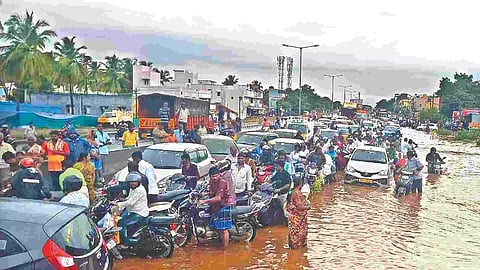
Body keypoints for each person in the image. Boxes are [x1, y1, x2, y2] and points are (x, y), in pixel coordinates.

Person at [199, 167, 234, 247]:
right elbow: (210, 192)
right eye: (212, 176)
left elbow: (218, 198)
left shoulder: (222, 182)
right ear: (210, 176)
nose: (214, 178)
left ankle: (225, 249)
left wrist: (204, 201)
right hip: (215, 206)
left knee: (223, 229)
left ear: (219, 175)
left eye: (216, 176)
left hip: (224, 205)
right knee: (217, 226)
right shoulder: (211, 182)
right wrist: (202, 195)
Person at [115, 172, 149, 246]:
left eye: (134, 182)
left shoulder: (139, 190)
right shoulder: (133, 189)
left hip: (139, 213)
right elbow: (129, 198)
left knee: (121, 223)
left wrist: (118, 204)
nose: (132, 183)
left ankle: (125, 242)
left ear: (138, 182)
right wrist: (121, 200)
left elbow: (131, 202)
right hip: (132, 211)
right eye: (131, 182)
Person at [287, 175, 311, 249]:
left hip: (295, 217)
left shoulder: (294, 191)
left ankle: (294, 254)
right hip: (297, 219)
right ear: (300, 183)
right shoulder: (297, 193)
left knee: (295, 234)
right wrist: (308, 207)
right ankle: (296, 252)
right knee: (297, 234)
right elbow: (299, 207)